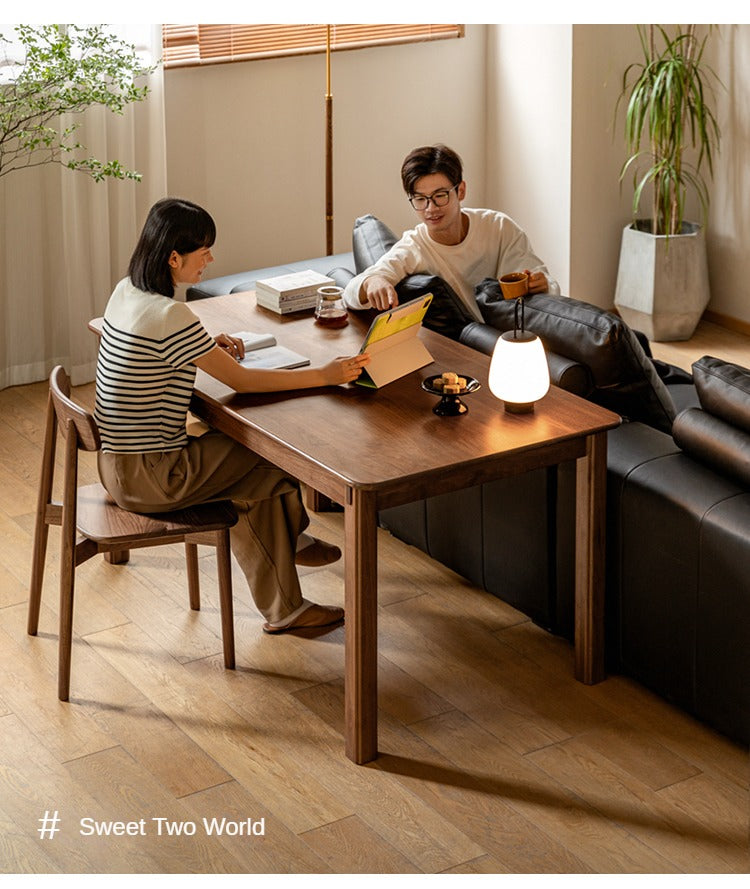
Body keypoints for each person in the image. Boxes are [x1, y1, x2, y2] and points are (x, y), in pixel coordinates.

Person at [95, 198, 369, 635]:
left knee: (248, 472)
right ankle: (290, 554)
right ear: (173, 257)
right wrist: (326, 374)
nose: (211, 259)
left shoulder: (127, 290)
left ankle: (288, 578)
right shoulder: (171, 315)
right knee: (273, 450)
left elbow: (163, 354)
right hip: (155, 476)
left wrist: (204, 344)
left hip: (116, 467)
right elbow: (243, 382)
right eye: (204, 250)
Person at [343, 144, 560, 320]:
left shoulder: (499, 227)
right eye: (420, 199)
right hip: (468, 343)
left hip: (510, 331)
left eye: (440, 195)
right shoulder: (414, 247)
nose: (431, 208)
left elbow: (545, 282)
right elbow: (350, 293)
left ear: (461, 190)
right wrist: (373, 282)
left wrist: (542, 284)